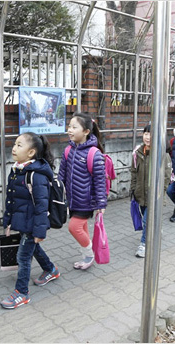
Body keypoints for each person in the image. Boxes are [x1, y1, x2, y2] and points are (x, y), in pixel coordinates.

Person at [0, 132, 60, 309]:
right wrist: (8, 221)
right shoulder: (17, 169)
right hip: (22, 221)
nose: (14, 148)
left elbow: (42, 206)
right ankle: (50, 269)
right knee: (33, 248)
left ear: (31, 152)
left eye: (19, 145)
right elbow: (11, 199)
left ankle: (21, 293)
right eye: (15, 144)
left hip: (33, 223)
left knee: (23, 256)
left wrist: (40, 232)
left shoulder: (37, 175)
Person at [58, 112, 107, 270]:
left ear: (86, 131)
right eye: (69, 126)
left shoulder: (94, 154)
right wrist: (58, 193)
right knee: (82, 227)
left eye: (74, 127)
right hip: (72, 200)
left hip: (86, 201)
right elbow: (62, 175)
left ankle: (89, 255)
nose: (69, 130)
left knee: (74, 227)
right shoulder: (68, 150)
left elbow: (100, 181)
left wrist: (101, 203)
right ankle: (87, 253)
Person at [131, 124, 171, 258]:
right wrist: (133, 190)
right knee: (146, 218)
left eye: (151, 134)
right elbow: (133, 173)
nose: (148, 137)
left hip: (154, 196)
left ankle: (144, 244)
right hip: (140, 194)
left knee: (147, 221)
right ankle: (157, 229)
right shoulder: (137, 152)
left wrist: (160, 193)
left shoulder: (162, 154)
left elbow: (166, 176)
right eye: (146, 134)